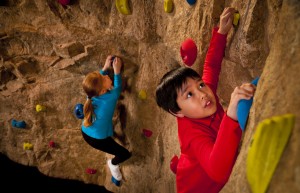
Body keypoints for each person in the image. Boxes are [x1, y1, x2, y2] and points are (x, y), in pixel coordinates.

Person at [155, 7, 256, 193]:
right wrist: (231, 115)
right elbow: (219, 172)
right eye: (189, 94)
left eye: (199, 84)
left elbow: (211, 67)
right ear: (177, 112)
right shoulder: (192, 134)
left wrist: (221, 33)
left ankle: (181, 164)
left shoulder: (203, 95)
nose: (202, 93)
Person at [81, 55, 131, 182]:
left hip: (86, 131)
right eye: (104, 78)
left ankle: (109, 136)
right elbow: (117, 88)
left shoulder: (91, 94)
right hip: (97, 139)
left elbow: (95, 82)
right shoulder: (109, 100)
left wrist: (105, 67)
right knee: (124, 154)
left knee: (108, 132)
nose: (107, 76)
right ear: (103, 91)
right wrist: (117, 70)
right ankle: (113, 164)